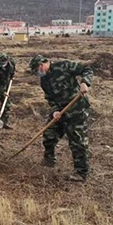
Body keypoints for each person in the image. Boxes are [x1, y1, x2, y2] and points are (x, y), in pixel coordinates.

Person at [29, 54, 93, 182]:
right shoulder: (44, 81)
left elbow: (86, 69)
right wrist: (55, 110)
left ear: (41, 65)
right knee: (49, 134)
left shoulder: (64, 66)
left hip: (76, 110)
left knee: (77, 141)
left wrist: (85, 82)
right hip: (61, 112)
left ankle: (82, 172)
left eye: (36, 70)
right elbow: (50, 98)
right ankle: (49, 160)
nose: (37, 73)